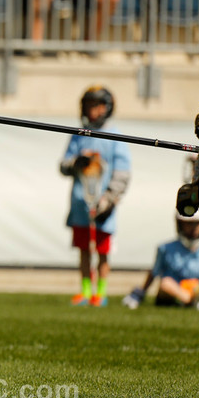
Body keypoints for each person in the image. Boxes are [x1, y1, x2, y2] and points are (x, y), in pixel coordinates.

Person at [59, 86, 131, 307]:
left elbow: (122, 171)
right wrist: (74, 163)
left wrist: (109, 199)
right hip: (81, 202)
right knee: (83, 249)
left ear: (107, 108)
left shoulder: (115, 136)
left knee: (102, 250)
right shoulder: (78, 135)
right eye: (89, 105)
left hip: (103, 205)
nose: (92, 110)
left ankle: (101, 292)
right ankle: (85, 290)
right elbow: (63, 165)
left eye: (97, 105)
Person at [123, 209, 199, 309]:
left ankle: (197, 301)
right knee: (166, 283)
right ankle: (190, 301)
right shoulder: (166, 248)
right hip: (174, 291)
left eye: (197, 224)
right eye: (188, 224)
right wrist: (140, 293)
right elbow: (154, 273)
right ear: (180, 225)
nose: (193, 228)